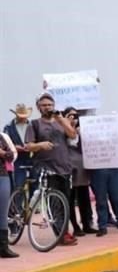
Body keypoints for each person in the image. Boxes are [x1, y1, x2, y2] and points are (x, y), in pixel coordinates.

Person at [22, 93, 78, 246]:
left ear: (54, 106)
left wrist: (62, 120)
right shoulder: (34, 124)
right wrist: (41, 145)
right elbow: (28, 145)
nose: (47, 107)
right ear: (39, 107)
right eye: (44, 105)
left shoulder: (61, 121)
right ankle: (62, 234)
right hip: (46, 168)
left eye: (50, 105)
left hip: (65, 167)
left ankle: (65, 231)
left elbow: (72, 135)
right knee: (54, 202)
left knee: (66, 201)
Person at [63, 107, 95, 236]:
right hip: (69, 167)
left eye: (75, 115)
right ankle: (75, 226)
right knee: (70, 198)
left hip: (82, 166)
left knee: (84, 197)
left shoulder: (84, 130)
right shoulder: (61, 130)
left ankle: (87, 223)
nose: (73, 118)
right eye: (70, 115)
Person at [4, 104, 34, 193]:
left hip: (32, 158)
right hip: (17, 159)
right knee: (18, 185)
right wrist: (14, 147)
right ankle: (17, 206)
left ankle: (32, 205)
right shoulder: (9, 127)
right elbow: (5, 142)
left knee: (35, 185)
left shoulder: (32, 125)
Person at [0, 129, 18, 258]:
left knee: (3, 212)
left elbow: (11, 156)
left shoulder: (1, 137)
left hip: (2, 176)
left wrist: (2, 153)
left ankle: (4, 247)